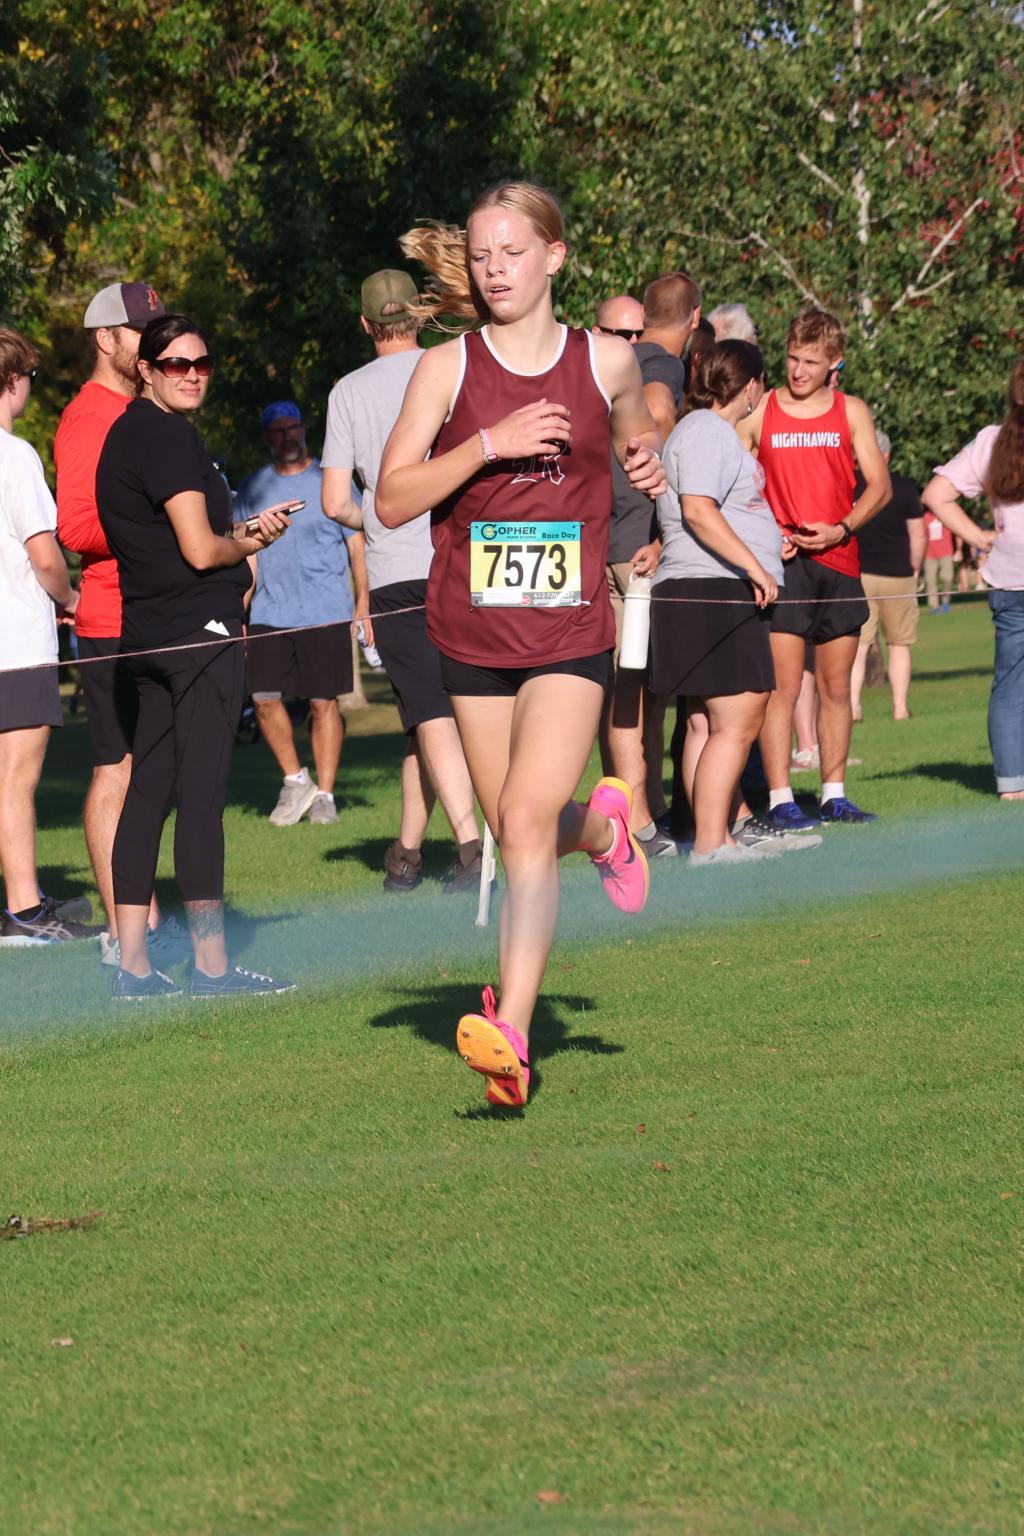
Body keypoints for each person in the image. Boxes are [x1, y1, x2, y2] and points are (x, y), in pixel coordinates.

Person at [376, 180, 666, 1107]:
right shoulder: (447, 371)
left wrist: (645, 460)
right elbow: (391, 499)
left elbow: (635, 436)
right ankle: (606, 827)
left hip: (573, 628)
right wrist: (486, 445)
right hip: (471, 631)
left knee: (527, 816)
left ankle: (514, 1034)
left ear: (555, 258)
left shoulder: (606, 361)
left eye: (513, 251)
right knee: (517, 822)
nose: (496, 268)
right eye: (482, 253)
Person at [96, 313, 295, 998]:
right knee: (201, 799)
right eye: (175, 364)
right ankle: (212, 969)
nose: (191, 375)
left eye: (201, 363)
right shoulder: (167, 439)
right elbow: (202, 551)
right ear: (145, 369)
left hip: (151, 638)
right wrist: (250, 543)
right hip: (196, 639)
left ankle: (133, 968)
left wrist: (241, 532)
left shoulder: (129, 435)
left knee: (149, 794)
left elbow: (182, 539)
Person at [321, 268, 482, 893]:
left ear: (365, 324)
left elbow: (336, 500)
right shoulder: (454, 368)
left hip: (398, 573)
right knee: (433, 714)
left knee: (431, 710)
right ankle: (407, 856)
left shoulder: (348, 392)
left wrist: (383, 518)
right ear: (419, 314)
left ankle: (471, 847)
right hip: (465, 559)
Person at [54, 281, 189, 966]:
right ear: (106, 338)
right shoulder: (88, 419)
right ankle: (123, 933)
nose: (153, 341)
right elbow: (76, 525)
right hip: (112, 619)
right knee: (117, 770)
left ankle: (147, 919)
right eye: (142, 330)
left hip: (160, 612)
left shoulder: (145, 408)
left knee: (155, 775)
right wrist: (168, 522)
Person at [651, 340, 820, 862]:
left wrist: (766, 541)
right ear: (749, 385)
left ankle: (715, 838)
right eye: (763, 385)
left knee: (706, 723)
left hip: (704, 589)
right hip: (715, 592)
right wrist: (753, 564)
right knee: (740, 720)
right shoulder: (707, 431)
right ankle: (709, 844)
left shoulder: (701, 432)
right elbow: (698, 510)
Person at [739, 307, 891, 828]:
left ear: (834, 363)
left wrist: (842, 529)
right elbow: (731, 480)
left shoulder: (852, 412)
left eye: (810, 362)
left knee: (833, 687)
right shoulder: (763, 411)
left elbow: (880, 486)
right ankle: (781, 799)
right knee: (781, 689)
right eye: (791, 358)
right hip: (783, 570)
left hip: (839, 562)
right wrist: (766, 534)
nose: (798, 370)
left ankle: (833, 794)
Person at [599, 272, 702, 855]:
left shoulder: (602, 362)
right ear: (694, 319)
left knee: (636, 685)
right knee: (633, 686)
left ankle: (649, 803)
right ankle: (637, 816)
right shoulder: (660, 365)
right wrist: (664, 518)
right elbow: (657, 414)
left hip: (607, 541)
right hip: (637, 548)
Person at [0, 328, 95, 944]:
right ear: (14, 380)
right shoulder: (16, 455)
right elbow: (46, 554)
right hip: (16, 644)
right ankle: (26, 911)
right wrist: (71, 599)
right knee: (17, 779)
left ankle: (20, 899)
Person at [235, 400, 363, 827]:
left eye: (293, 429)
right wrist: (242, 611)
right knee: (265, 700)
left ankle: (325, 794)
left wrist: (363, 600)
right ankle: (295, 780)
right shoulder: (252, 489)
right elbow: (247, 554)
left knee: (323, 704)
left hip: (325, 610)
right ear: (266, 437)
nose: (287, 437)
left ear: (304, 431)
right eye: (277, 431)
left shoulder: (331, 481)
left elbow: (356, 545)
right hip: (271, 611)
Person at [923, 361, 1024, 799]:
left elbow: (935, 494)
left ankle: (1010, 786)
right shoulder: (992, 440)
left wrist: (977, 535)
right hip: (1009, 582)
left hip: (1008, 579)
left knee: (1009, 683)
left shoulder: (991, 441)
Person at [849, 429, 927, 722]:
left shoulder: (849, 486)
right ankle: (900, 707)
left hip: (859, 574)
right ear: (888, 455)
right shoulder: (905, 487)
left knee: (858, 644)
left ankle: (854, 705)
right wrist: (915, 566)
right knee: (899, 643)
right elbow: (917, 532)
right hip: (898, 575)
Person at [923, 503, 955, 613]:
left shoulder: (945, 515)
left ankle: (945, 601)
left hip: (946, 552)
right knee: (930, 581)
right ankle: (934, 606)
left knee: (948, 578)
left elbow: (956, 531)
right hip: (929, 554)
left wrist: (959, 549)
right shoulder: (925, 517)